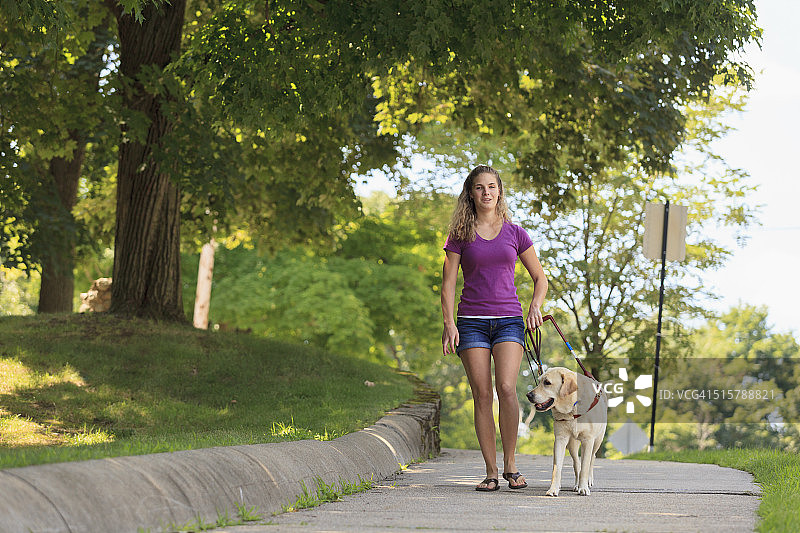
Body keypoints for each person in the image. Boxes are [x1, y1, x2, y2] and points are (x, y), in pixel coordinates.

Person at [441, 164, 548, 492]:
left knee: (505, 387)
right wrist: (448, 324)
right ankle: (490, 470)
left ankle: (511, 465)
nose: (486, 192)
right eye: (479, 187)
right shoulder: (460, 234)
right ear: (470, 194)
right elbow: (447, 284)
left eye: (491, 186)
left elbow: (540, 278)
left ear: (499, 191)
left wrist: (535, 306)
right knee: (482, 394)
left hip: (509, 321)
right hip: (471, 323)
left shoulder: (515, 233)